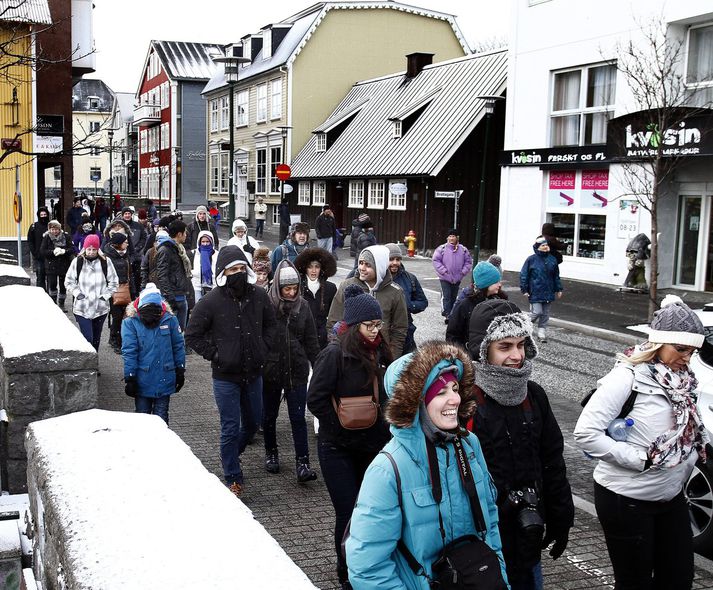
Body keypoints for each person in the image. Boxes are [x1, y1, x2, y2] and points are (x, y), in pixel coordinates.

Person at [346, 341, 508, 588]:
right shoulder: (388, 469)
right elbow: (367, 568)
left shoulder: (469, 446)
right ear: (416, 403)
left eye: (455, 389)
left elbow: (490, 525)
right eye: (441, 393)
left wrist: (500, 580)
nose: (454, 399)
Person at [574, 295, 707, 590]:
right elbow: (585, 432)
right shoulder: (626, 377)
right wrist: (640, 459)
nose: (687, 357)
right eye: (681, 348)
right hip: (626, 499)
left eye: (693, 350)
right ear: (658, 343)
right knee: (634, 583)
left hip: (670, 496)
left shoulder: (685, 380)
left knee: (678, 579)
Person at [467, 299, 573, 589]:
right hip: (480, 537)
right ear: (483, 348)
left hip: (527, 530)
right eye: (505, 346)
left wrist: (561, 516)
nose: (516, 355)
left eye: (521, 344)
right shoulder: (462, 398)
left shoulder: (534, 395)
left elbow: (552, 460)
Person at [307, 284, 393, 587]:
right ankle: (347, 576)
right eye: (369, 325)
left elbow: (389, 395)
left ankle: (367, 568)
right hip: (337, 448)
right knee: (348, 512)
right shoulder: (334, 354)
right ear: (355, 326)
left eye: (378, 324)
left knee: (371, 513)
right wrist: (339, 426)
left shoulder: (383, 351)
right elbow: (315, 399)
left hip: (373, 446)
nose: (375, 330)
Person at [185, 246, 277, 497]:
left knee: (252, 423)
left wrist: (263, 348)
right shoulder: (212, 301)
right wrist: (216, 354)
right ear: (223, 273)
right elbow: (192, 334)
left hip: (254, 372)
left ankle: (230, 453)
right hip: (225, 376)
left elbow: (271, 325)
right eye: (231, 270)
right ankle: (233, 476)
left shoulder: (259, 296)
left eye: (240, 268)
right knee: (229, 425)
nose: (236, 273)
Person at [263, 260, 320, 482]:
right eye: (287, 288)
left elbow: (311, 340)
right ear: (278, 287)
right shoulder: (266, 305)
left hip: (296, 369)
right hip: (270, 370)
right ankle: (271, 453)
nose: (291, 292)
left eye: (295, 288)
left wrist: (318, 366)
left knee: (298, 417)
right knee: (269, 416)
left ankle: (303, 462)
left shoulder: (303, 306)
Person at [327, 245, 408, 360]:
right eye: (360, 263)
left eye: (368, 265)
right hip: (349, 354)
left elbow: (400, 329)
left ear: (379, 267)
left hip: (380, 355)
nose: (362, 268)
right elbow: (333, 321)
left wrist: (391, 357)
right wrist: (339, 351)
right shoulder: (346, 286)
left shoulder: (395, 292)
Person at [122, 283, 185, 425]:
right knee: (142, 418)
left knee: (161, 419)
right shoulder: (130, 323)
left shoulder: (170, 320)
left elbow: (178, 346)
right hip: (142, 379)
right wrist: (130, 377)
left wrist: (180, 369)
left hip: (165, 377)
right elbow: (130, 351)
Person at [64, 234, 118, 351]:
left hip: (100, 308)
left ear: (98, 249)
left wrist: (105, 296)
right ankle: (89, 361)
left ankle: (94, 362)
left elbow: (114, 282)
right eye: (89, 249)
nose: (91, 252)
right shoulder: (77, 261)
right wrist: (78, 294)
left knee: (96, 339)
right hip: (82, 307)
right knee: (88, 338)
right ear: (85, 248)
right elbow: (68, 281)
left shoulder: (105, 262)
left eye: (94, 249)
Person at [447, 259, 507, 350]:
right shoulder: (465, 305)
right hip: (470, 355)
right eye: (496, 282)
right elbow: (452, 335)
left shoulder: (501, 301)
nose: (499, 285)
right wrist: (464, 354)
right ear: (486, 284)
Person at [385, 243, 428, 354]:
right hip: (383, 332)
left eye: (398, 259)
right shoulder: (376, 278)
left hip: (406, 332)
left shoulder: (410, 278)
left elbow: (423, 302)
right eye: (391, 259)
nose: (395, 263)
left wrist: (407, 306)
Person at [520, 235, 562, 343]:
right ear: (538, 247)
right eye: (543, 245)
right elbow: (524, 274)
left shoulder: (552, 259)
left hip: (548, 291)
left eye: (546, 245)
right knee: (537, 312)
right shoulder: (531, 260)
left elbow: (556, 276)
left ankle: (541, 333)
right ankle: (523, 326)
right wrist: (524, 289)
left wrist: (559, 288)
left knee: (545, 314)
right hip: (535, 291)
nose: (545, 247)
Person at [294, 247, 337, 349]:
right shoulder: (297, 287)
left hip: (322, 338)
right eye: (310, 267)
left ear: (321, 268)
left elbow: (334, 315)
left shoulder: (330, 288)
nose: (313, 271)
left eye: (317, 267)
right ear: (305, 268)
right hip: (302, 339)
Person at [155, 220, 192, 332]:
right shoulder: (165, 249)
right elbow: (162, 275)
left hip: (181, 294)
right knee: (172, 330)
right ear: (179, 234)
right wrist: (169, 297)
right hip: (173, 297)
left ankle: (181, 348)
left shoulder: (178, 248)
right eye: (185, 233)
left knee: (181, 329)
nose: (186, 235)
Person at [432, 228, 473, 323]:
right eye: (450, 236)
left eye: (453, 236)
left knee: (454, 296)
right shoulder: (441, 249)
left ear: (457, 237)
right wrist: (443, 271)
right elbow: (436, 260)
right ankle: (447, 314)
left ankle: (452, 314)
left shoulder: (463, 250)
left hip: (457, 278)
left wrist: (463, 272)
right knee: (447, 296)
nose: (451, 238)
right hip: (445, 277)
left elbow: (468, 262)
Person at [40, 220, 75, 310]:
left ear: (59, 229)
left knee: (63, 285)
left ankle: (62, 303)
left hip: (64, 264)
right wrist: (52, 252)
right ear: (49, 229)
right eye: (52, 229)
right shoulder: (47, 237)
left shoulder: (66, 236)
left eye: (56, 229)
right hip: (51, 265)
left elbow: (72, 249)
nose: (54, 231)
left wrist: (64, 251)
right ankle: (53, 302)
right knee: (52, 284)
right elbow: (43, 251)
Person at [27, 206, 50, 292]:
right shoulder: (34, 226)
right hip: (39, 256)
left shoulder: (51, 226)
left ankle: (51, 296)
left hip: (50, 256)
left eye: (45, 214)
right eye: (41, 214)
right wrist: (35, 253)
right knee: (40, 277)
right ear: (38, 215)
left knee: (51, 279)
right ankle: (41, 294)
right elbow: (30, 240)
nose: (43, 216)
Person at [191, 231, 218, 303]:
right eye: (203, 242)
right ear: (199, 242)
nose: (205, 244)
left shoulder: (216, 254)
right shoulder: (193, 254)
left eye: (207, 241)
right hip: (197, 287)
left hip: (214, 287)